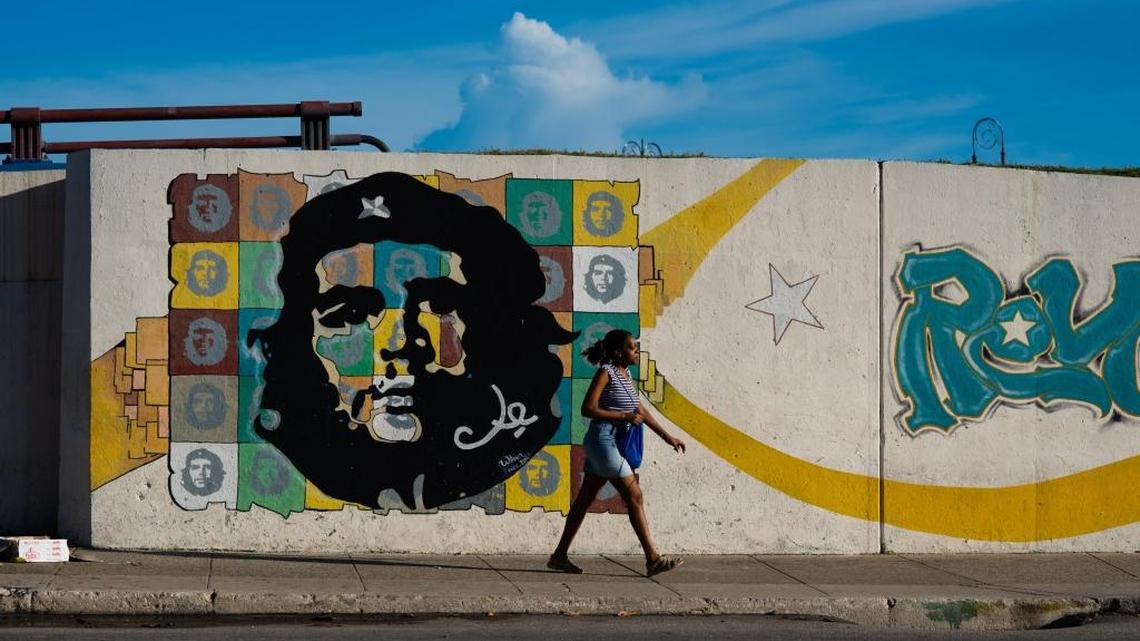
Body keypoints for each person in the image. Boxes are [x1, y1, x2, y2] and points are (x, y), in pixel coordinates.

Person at [549, 329, 686, 577]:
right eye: (632, 348)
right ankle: (653, 559)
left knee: (583, 501)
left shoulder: (626, 375)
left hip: (611, 442)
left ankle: (559, 556)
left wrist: (668, 437)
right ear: (617, 352)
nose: (637, 352)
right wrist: (623, 416)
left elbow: (640, 410)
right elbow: (587, 408)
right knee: (634, 495)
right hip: (602, 440)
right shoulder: (606, 373)